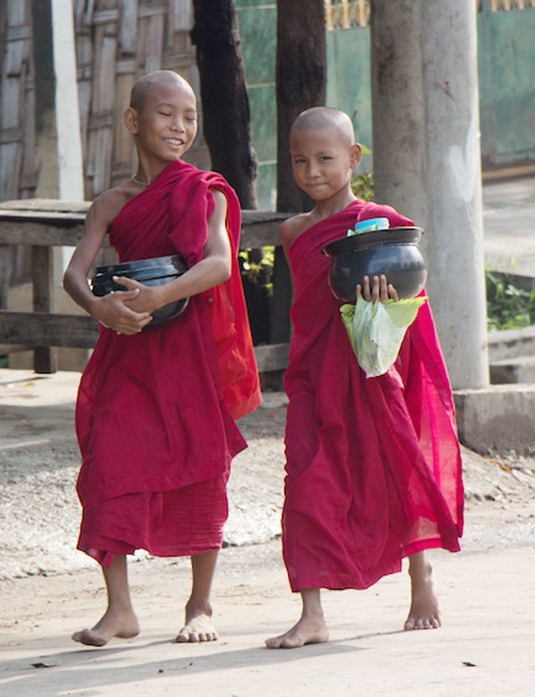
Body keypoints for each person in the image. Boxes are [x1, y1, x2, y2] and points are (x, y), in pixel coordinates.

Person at [62, 70, 262, 647]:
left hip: (187, 350)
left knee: (201, 465)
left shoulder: (204, 191)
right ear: (133, 120)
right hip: (127, 349)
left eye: (190, 117)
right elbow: (75, 272)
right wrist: (100, 309)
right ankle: (120, 609)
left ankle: (200, 605)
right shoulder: (111, 203)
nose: (180, 127)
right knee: (108, 463)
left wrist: (159, 296)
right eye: (166, 114)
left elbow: (219, 263)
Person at [265, 107, 463, 649]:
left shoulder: (381, 220)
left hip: (371, 367)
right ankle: (312, 612)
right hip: (313, 371)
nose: (312, 172)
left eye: (325, 159)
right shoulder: (293, 231)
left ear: (353, 158)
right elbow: (309, 304)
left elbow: (410, 290)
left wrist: (388, 296)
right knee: (306, 477)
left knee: (396, 464)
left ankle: (420, 576)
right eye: (300, 161)